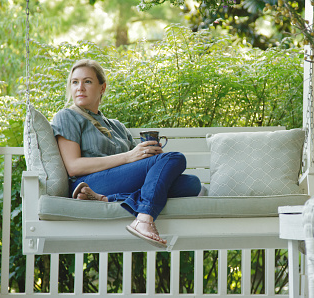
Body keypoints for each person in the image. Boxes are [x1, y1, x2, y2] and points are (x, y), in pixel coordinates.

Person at [51, 59, 202, 248]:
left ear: (102, 88)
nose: (80, 87)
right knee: (175, 158)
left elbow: (136, 166)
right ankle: (144, 219)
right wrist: (130, 157)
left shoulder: (116, 126)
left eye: (87, 81)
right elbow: (73, 166)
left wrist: (152, 158)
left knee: (191, 184)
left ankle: (106, 199)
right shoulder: (67, 116)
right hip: (89, 181)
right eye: (75, 82)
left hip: (112, 186)